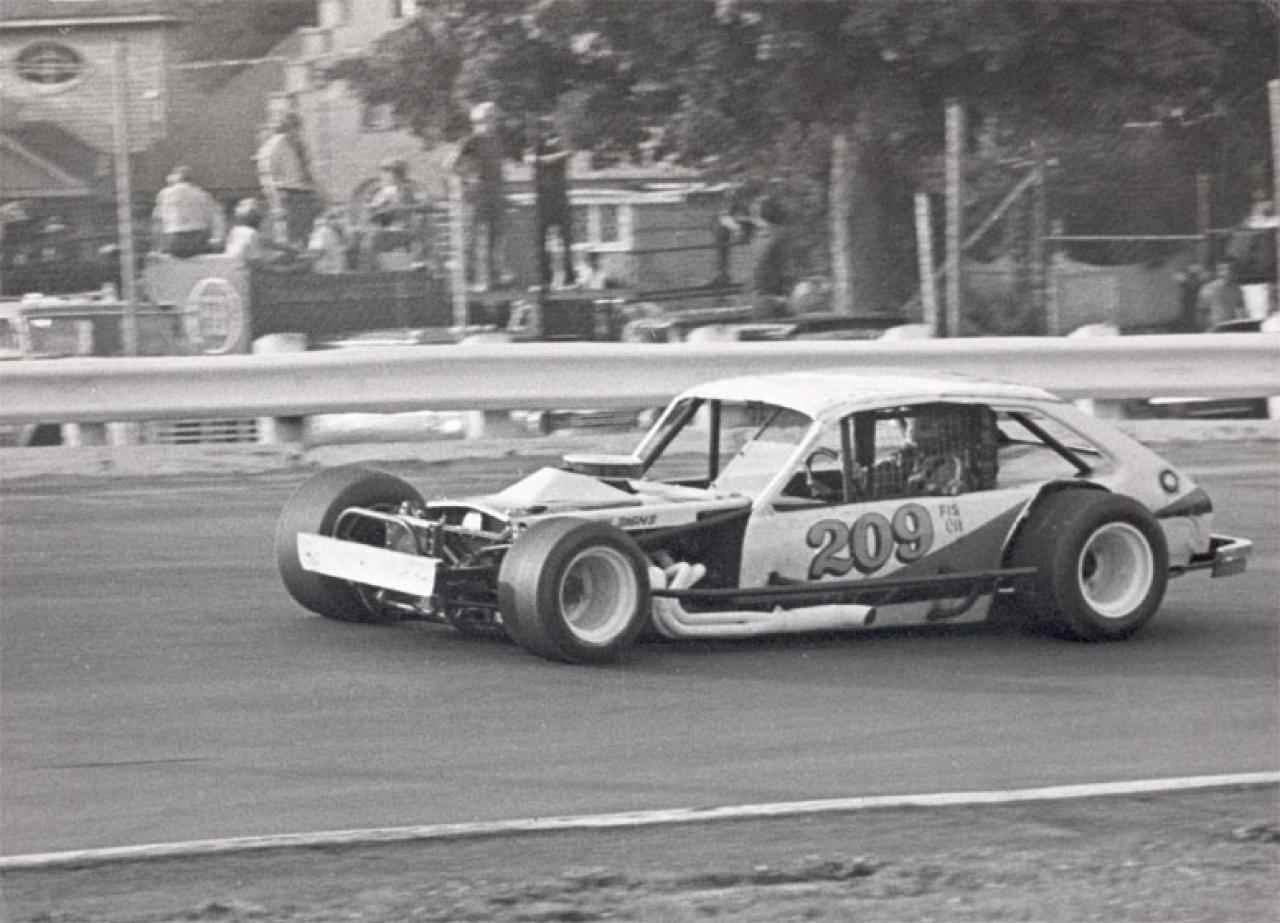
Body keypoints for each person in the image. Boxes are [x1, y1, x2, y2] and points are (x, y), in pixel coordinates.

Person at [449, 101, 507, 289]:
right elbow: (451, 164)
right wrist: (469, 179)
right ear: (480, 121)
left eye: (495, 120)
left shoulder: (496, 141)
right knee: (472, 236)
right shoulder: (470, 141)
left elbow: (498, 168)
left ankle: (493, 277)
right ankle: (468, 278)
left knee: (496, 235)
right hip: (478, 193)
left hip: (495, 191)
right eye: (490, 119)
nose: (493, 124)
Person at [256, 111, 321, 248]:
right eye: (294, 129)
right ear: (287, 128)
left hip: (305, 195)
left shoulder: (302, 144)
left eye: (299, 129)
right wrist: (276, 204)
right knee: (289, 239)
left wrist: (318, 191)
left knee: (305, 237)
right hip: (287, 195)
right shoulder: (274, 148)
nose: (298, 134)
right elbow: (268, 178)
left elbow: (310, 169)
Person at [525, 116, 575, 288]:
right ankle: (544, 278)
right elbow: (531, 160)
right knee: (541, 240)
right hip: (543, 199)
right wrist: (557, 156)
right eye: (544, 128)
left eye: (549, 128)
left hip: (560, 197)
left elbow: (569, 152)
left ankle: (569, 275)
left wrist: (557, 153)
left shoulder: (559, 143)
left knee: (566, 239)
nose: (547, 132)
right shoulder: (536, 145)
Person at [151, 166, 225, 257]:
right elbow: (217, 220)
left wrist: (157, 247)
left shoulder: (164, 194)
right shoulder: (203, 195)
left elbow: (158, 223)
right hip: (196, 243)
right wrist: (217, 241)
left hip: (173, 243)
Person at [365, 157, 422, 269]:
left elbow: (427, 204)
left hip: (406, 231)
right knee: (369, 243)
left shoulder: (411, 188)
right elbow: (374, 210)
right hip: (387, 232)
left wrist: (405, 208)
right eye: (385, 171)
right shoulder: (382, 192)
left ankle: (417, 264)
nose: (386, 175)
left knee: (417, 241)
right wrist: (375, 210)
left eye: (390, 171)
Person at [749, 195, 795, 320]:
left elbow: (787, 267)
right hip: (759, 295)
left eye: (755, 212)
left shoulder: (778, 236)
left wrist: (784, 295)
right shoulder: (758, 236)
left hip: (774, 297)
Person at [1196, 261, 1245, 329]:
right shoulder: (1208, 289)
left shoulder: (1237, 290)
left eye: (1231, 269)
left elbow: (1241, 312)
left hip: (1232, 327)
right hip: (1214, 328)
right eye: (1223, 269)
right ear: (1218, 272)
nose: (1228, 272)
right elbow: (1201, 314)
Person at [306, 206, 349, 273]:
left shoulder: (335, 233)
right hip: (325, 271)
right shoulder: (321, 233)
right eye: (334, 218)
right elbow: (316, 252)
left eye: (340, 217)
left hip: (337, 269)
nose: (339, 221)